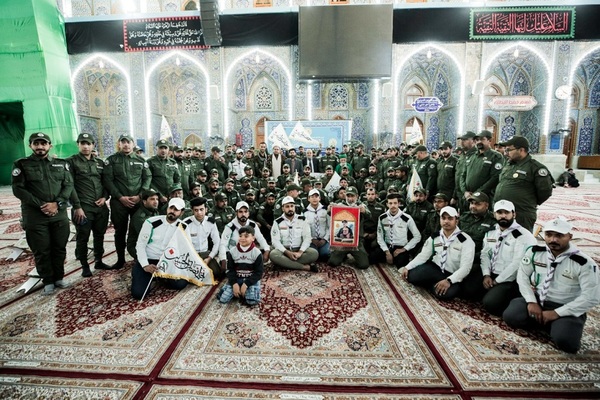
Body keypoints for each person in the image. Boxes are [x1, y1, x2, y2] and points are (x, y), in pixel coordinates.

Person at [503, 218, 600, 353]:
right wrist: (531, 301)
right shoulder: (535, 252)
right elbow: (523, 276)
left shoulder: (583, 263)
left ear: (569, 237)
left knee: (566, 342)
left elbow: (592, 297)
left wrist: (557, 313)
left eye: (559, 236)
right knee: (510, 316)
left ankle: (557, 324)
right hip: (539, 300)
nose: (553, 240)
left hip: (565, 306)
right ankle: (548, 322)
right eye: (548, 235)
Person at [12, 132, 74, 295]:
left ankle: (59, 277)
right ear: (30, 145)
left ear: (49, 146)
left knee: (59, 247)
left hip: (58, 213)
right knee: (41, 249)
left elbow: (68, 185)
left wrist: (58, 204)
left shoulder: (61, 164)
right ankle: (48, 281)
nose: (40, 146)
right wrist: (42, 205)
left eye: (43, 143)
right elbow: (18, 189)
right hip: (35, 215)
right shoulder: (22, 164)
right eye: (36, 143)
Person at [401, 206, 475, 300]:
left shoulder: (466, 241)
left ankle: (436, 284)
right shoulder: (435, 237)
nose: (446, 221)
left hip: (452, 274)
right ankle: (435, 283)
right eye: (443, 218)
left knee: (445, 295)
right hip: (435, 268)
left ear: (456, 220)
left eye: (450, 218)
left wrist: (449, 281)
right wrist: (408, 266)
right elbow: (423, 255)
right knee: (410, 276)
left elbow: (466, 268)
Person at [479, 200, 536, 316]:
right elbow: (485, 254)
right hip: (491, 274)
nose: (503, 216)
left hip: (510, 279)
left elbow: (517, 264)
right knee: (468, 289)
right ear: (494, 215)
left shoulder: (523, 236)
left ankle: (513, 299)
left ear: (514, 214)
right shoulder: (491, 232)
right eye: (499, 212)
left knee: (490, 304)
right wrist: (486, 275)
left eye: (507, 212)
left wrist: (496, 281)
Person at [103, 134, 152, 269]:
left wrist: (140, 196)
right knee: (120, 231)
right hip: (119, 203)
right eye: (123, 142)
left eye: (128, 142)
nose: (126, 145)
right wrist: (120, 197)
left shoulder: (141, 161)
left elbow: (147, 178)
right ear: (119, 144)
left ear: (133, 143)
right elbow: (108, 180)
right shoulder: (111, 160)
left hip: (138, 202)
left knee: (140, 229)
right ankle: (120, 259)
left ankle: (140, 256)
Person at [67, 133, 111, 276]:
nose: (85, 146)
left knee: (99, 235)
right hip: (83, 208)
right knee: (83, 237)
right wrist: (77, 207)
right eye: (82, 143)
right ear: (78, 144)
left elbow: (105, 183)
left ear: (93, 145)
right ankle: (84, 265)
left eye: (88, 143)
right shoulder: (71, 162)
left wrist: (105, 197)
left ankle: (98, 261)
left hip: (100, 207)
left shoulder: (99, 163)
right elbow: (70, 186)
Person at [131, 198, 189, 300]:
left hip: (168, 261)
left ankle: (161, 278)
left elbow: (184, 249)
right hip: (149, 260)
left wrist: (173, 265)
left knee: (180, 284)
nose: (172, 211)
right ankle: (143, 274)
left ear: (182, 212)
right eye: (171, 208)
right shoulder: (151, 222)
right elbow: (140, 245)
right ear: (167, 208)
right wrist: (145, 265)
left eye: (176, 209)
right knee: (138, 294)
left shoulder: (183, 227)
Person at [495, 136, 553, 232]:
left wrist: (527, 202)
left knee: (521, 241)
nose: (506, 153)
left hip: (522, 214)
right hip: (503, 212)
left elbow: (545, 191)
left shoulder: (535, 168)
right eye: (505, 149)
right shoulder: (508, 165)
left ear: (521, 150)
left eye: (509, 150)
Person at [370, 193, 421, 268]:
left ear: (399, 204)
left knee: (401, 264)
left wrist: (404, 249)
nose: (393, 205)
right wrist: (387, 252)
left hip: (400, 247)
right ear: (387, 204)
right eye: (390, 203)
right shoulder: (382, 218)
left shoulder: (406, 218)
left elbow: (417, 236)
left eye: (395, 203)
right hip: (387, 246)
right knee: (371, 259)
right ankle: (387, 257)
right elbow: (380, 236)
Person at [217, 225, 264, 306]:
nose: (242, 238)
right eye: (240, 236)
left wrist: (246, 284)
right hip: (237, 278)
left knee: (252, 301)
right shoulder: (232, 251)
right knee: (222, 299)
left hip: (250, 279)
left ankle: (246, 291)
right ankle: (229, 287)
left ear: (253, 238)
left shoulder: (257, 253)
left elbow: (259, 273)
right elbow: (229, 270)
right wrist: (234, 283)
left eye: (246, 236)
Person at [270, 196, 319, 272]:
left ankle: (283, 263)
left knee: (314, 253)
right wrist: (287, 253)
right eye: (287, 207)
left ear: (295, 207)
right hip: (284, 251)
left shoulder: (302, 220)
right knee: (273, 254)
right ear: (283, 208)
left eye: (292, 206)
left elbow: (307, 238)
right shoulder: (277, 222)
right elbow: (275, 241)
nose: (290, 209)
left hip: (299, 250)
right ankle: (305, 267)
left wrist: (300, 252)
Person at [219, 201, 271, 272]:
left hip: (249, 252)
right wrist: (223, 260)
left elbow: (260, 238)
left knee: (261, 253)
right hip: (235, 254)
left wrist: (267, 250)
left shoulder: (252, 225)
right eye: (240, 212)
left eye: (245, 212)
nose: (243, 214)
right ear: (236, 213)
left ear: (248, 213)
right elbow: (223, 244)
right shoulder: (230, 226)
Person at [328, 186, 371, 270]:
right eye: (348, 196)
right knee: (332, 262)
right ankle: (343, 255)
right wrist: (329, 209)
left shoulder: (361, 205)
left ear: (357, 196)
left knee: (364, 265)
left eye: (352, 196)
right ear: (345, 196)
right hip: (342, 241)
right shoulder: (339, 204)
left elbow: (369, 215)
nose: (350, 198)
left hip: (357, 241)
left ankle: (355, 254)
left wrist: (364, 211)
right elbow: (331, 214)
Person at [183, 197, 222, 280]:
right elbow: (185, 245)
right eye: (196, 210)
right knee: (189, 277)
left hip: (205, 254)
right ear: (192, 211)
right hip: (191, 255)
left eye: (201, 209)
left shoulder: (211, 222)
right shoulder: (186, 223)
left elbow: (217, 242)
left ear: (206, 209)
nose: (199, 213)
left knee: (217, 273)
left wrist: (209, 258)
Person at [461, 130, 503, 205]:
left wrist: (477, 193)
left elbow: (495, 178)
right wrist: (465, 191)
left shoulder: (495, 156)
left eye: (482, 139)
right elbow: (463, 175)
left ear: (489, 140)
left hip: (484, 198)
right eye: (477, 140)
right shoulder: (471, 156)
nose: (479, 142)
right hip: (467, 197)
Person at [127, 189, 160, 260]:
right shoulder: (139, 217)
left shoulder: (154, 211)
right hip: (137, 247)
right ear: (144, 202)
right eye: (152, 199)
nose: (156, 202)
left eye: (157, 199)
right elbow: (148, 237)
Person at [147, 139, 180, 206]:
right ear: (156, 149)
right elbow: (148, 181)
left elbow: (177, 179)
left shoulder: (172, 162)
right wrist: (159, 195)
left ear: (168, 150)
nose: (163, 150)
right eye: (161, 148)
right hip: (156, 197)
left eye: (165, 148)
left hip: (171, 196)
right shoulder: (150, 162)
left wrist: (175, 193)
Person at [303, 189, 331, 261]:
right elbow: (304, 229)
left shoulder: (326, 210)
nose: (314, 198)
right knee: (313, 255)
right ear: (308, 199)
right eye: (312, 197)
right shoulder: (305, 213)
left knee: (325, 254)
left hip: (324, 240)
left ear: (319, 198)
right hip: (311, 241)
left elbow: (329, 226)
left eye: (316, 196)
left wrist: (325, 239)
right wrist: (311, 239)